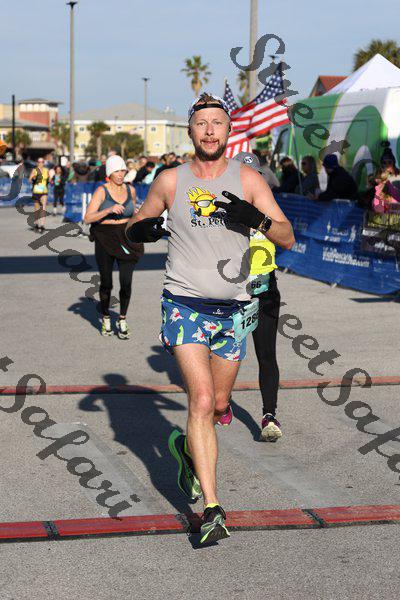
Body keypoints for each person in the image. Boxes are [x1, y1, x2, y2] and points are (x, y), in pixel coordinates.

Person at [125, 92, 294, 543]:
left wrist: (256, 218)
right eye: (201, 123)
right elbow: (132, 230)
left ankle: (185, 449)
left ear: (228, 130)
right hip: (184, 304)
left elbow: (288, 237)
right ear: (190, 132)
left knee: (219, 405)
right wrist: (140, 230)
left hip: (235, 311)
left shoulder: (249, 179)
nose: (209, 130)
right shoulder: (170, 180)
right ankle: (214, 508)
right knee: (200, 400)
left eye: (217, 122)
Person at [217, 152, 283, 442]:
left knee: (266, 354)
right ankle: (222, 401)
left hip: (264, 289)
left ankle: (270, 415)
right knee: (225, 352)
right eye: (242, 175)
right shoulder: (225, 211)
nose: (248, 181)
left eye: (254, 175)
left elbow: (287, 236)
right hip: (231, 292)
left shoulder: (269, 208)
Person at [84, 155, 144, 338]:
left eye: (123, 170)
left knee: (126, 282)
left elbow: (133, 211)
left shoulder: (130, 189)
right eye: (117, 171)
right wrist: (108, 210)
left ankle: (122, 319)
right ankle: (106, 317)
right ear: (109, 173)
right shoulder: (102, 191)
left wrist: (136, 212)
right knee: (106, 283)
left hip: (126, 236)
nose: (120, 174)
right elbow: (87, 218)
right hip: (105, 237)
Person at [29, 157, 50, 233]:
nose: (41, 163)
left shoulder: (46, 170)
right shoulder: (34, 170)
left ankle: (42, 225)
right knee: (37, 209)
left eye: (42, 162)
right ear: (37, 163)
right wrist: (33, 178)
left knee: (43, 207)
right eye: (39, 162)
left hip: (44, 191)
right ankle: (37, 224)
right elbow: (29, 180)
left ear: (44, 163)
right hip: (36, 191)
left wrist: (51, 179)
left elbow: (49, 180)